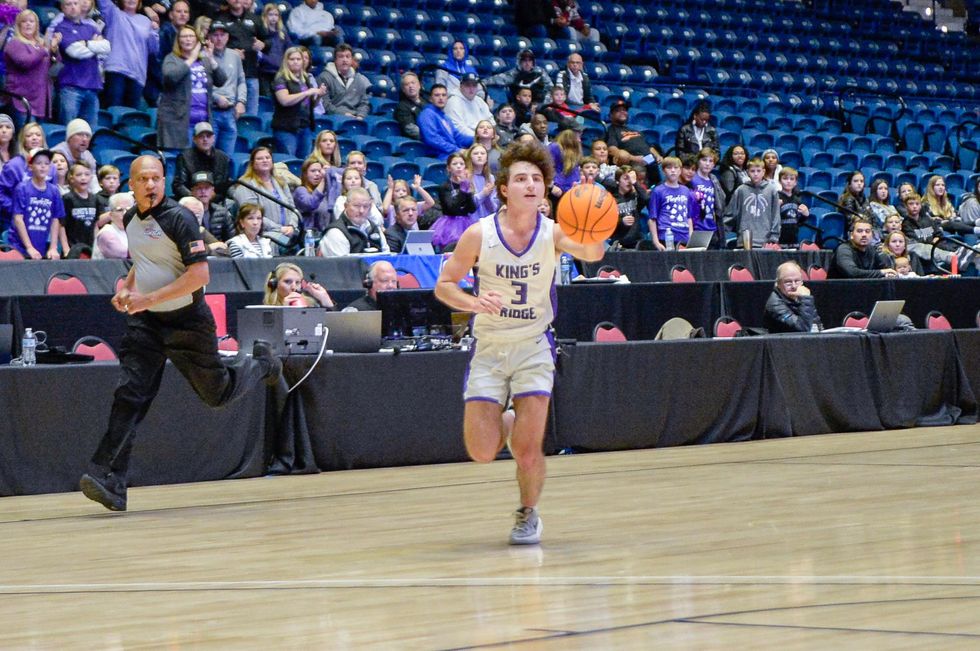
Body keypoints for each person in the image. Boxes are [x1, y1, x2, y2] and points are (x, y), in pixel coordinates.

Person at [79, 156, 282, 512]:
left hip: (187, 322)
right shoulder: (131, 218)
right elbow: (144, 262)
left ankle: (262, 364)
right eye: (143, 179)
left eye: (156, 178)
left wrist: (146, 299)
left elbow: (200, 276)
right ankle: (111, 480)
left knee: (216, 394)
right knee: (130, 395)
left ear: (163, 181)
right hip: (147, 324)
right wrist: (127, 288)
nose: (151, 184)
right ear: (131, 184)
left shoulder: (180, 218)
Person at [434, 141, 604, 546]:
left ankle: (528, 513)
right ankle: (507, 420)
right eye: (521, 179)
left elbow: (594, 253)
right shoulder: (479, 234)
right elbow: (444, 285)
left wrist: (596, 221)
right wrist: (473, 302)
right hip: (490, 347)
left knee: (528, 451)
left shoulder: (554, 232)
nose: (530, 185)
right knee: (481, 451)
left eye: (537, 179)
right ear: (504, 189)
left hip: (534, 345)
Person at [158, 25, 226, 150]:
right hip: (179, 123)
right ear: (178, 41)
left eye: (191, 36)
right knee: (180, 158)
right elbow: (171, 77)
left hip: (203, 123)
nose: (188, 39)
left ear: (197, 40)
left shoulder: (204, 61)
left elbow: (221, 80)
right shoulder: (171, 59)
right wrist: (191, 58)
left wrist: (211, 59)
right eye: (184, 36)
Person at [229, 146, 299, 249]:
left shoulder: (281, 182)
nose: (265, 160)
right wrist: (280, 229)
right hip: (263, 233)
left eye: (267, 157)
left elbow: (292, 208)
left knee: (304, 240)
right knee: (288, 244)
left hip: (288, 231)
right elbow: (252, 215)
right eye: (260, 158)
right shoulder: (245, 186)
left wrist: (292, 226)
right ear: (252, 163)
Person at [54, 0, 110, 127]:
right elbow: (75, 52)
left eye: (75, 3)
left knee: (90, 131)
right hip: (71, 87)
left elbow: (107, 47)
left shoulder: (90, 27)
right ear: (62, 8)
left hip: (92, 87)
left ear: (80, 6)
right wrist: (95, 46)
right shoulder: (61, 28)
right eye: (68, 4)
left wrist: (86, 43)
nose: (73, 7)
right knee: (69, 129)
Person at [98, 0, 160, 108]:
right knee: (113, 111)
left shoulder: (146, 21)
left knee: (131, 115)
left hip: (138, 74)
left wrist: (155, 32)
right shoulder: (113, 13)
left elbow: (153, 50)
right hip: (116, 70)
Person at [7, 148, 63, 259]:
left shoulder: (54, 191)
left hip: (40, 246)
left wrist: (53, 247)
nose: (43, 166)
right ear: (30, 166)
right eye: (38, 163)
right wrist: (29, 247)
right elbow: (18, 219)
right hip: (19, 247)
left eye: (46, 163)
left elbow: (55, 219)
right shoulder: (22, 188)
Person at [4, 10, 57, 125]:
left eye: (31, 21)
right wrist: (45, 49)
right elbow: (25, 62)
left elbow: (53, 65)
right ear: (19, 25)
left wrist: (54, 51)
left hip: (40, 100)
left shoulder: (41, 43)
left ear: (37, 25)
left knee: (39, 134)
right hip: (22, 101)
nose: (28, 24)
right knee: (25, 134)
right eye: (24, 21)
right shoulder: (14, 43)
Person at [272, 46, 324, 159]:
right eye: (292, 59)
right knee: (289, 161)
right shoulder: (281, 79)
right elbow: (284, 100)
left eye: (298, 59)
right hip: (286, 129)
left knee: (305, 162)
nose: (295, 62)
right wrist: (306, 93)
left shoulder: (305, 79)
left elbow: (310, 105)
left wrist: (319, 95)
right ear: (286, 61)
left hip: (305, 127)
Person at [216, 0, 265, 116]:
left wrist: (263, 44)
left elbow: (268, 40)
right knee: (229, 117)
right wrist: (231, 52)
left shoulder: (255, 19)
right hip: (228, 77)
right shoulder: (220, 20)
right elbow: (213, 44)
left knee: (251, 117)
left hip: (251, 73)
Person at [207, 20, 246, 156]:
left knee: (226, 157)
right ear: (209, 37)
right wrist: (216, 97)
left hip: (230, 112)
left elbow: (241, 80)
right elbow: (199, 84)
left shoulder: (234, 56)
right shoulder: (203, 56)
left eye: (222, 35)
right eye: (215, 35)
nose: (219, 39)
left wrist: (241, 101)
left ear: (228, 37)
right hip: (211, 111)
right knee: (208, 155)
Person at [722, 156, 780, 249]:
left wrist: (774, 238)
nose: (755, 174)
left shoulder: (771, 190)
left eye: (758, 171)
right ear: (748, 172)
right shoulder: (741, 190)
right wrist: (721, 230)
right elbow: (731, 214)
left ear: (763, 172)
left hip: (766, 242)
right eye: (752, 171)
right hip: (744, 241)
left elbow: (776, 216)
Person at [605, 97, 662, 187]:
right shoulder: (611, 130)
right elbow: (612, 149)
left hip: (648, 158)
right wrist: (635, 158)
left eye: (624, 110)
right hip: (633, 161)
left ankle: (656, 187)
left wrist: (658, 155)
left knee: (661, 162)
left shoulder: (635, 131)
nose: (622, 112)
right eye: (618, 110)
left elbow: (649, 146)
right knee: (645, 167)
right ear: (611, 115)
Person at [318, 187, 389, 256]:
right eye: (356, 206)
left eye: (365, 206)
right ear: (346, 206)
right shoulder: (336, 233)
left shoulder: (375, 229)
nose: (361, 211)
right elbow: (340, 263)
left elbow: (388, 257)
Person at [173, 122, 233, 201]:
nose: (205, 139)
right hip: (191, 201)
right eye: (201, 136)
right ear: (194, 139)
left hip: (216, 201)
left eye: (208, 136)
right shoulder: (184, 157)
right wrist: (195, 197)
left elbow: (225, 186)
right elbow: (178, 185)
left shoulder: (223, 158)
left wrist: (214, 197)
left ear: (213, 138)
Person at [648, 156, 697, 250]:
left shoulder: (686, 190)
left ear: (680, 170)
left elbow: (689, 217)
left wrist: (691, 237)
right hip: (666, 236)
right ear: (663, 171)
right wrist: (656, 241)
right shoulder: (658, 191)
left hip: (684, 237)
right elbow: (652, 219)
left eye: (676, 167)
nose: (673, 170)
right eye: (669, 168)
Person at [432, 152, 477, 252]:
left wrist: (468, 193)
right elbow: (452, 209)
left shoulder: (466, 184)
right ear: (449, 168)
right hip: (449, 224)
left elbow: (472, 209)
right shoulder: (445, 187)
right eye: (455, 164)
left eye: (461, 164)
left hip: (466, 222)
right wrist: (462, 191)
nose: (459, 167)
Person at [764, 261, 823, 333]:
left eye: (797, 281)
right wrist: (806, 299)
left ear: (802, 282)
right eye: (788, 282)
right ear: (778, 284)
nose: (794, 286)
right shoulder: (774, 304)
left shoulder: (801, 296)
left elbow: (817, 324)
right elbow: (803, 329)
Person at [418, 84, 473, 160]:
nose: (441, 98)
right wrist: (457, 150)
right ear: (430, 99)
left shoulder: (445, 117)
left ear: (447, 98)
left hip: (451, 154)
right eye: (437, 95)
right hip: (439, 156)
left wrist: (477, 138)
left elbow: (457, 136)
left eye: (443, 95)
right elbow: (433, 139)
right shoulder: (427, 114)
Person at [832, 216, 898, 278]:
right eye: (859, 231)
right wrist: (881, 272)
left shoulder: (871, 249)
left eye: (867, 231)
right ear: (851, 235)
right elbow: (852, 272)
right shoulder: (843, 249)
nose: (864, 235)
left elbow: (884, 268)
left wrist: (889, 273)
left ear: (872, 235)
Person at [318, 43, 370, 119]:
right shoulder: (324, 77)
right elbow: (325, 104)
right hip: (333, 117)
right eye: (341, 57)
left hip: (355, 118)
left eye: (347, 56)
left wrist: (360, 116)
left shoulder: (358, 79)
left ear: (351, 60)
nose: (345, 60)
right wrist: (343, 114)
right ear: (335, 60)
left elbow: (364, 103)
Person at [484, 48, 553, 105]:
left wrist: (542, 104)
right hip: (518, 106)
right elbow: (496, 79)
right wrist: (482, 82)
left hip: (539, 103)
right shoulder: (513, 74)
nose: (527, 63)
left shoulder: (540, 72)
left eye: (530, 60)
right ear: (519, 62)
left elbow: (550, 87)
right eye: (524, 61)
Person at [59, 162, 98, 255]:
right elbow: (61, 225)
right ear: (71, 178)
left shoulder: (95, 199)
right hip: (72, 248)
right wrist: (66, 248)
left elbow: (95, 225)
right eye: (79, 175)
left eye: (87, 174)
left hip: (90, 248)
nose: (83, 178)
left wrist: (96, 247)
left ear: (91, 177)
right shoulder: (67, 198)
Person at [690, 147, 725, 247]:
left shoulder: (714, 180)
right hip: (697, 227)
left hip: (712, 227)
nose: (707, 163)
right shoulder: (692, 179)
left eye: (711, 161)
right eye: (704, 160)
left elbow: (720, 203)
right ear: (698, 161)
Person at [263, 261, 335, 308]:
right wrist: (285, 311)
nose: (294, 287)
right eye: (287, 282)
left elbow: (332, 325)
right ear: (274, 284)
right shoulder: (265, 310)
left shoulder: (310, 305)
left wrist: (326, 300)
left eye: (297, 282)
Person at [445, 73, 494, 140]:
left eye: (474, 85)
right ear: (461, 86)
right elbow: (458, 129)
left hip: (483, 138)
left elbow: (491, 120)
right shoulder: (453, 102)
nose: (471, 89)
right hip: (465, 141)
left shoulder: (479, 100)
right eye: (467, 85)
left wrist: (491, 134)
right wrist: (479, 138)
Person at [607, 165, 646, 249]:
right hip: (617, 242)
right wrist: (621, 221)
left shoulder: (635, 196)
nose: (629, 182)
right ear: (617, 181)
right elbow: (606, 221)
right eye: (625, 178)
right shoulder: (610, 199)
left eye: (630, 179)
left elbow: (646, 198)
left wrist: (635, 183)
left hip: (636, 241)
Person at [188, 170, 234, 241]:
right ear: (192, 191)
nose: (203, 191)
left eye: (206, 188)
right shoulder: (186, 213)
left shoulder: (222, 212)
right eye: (199, 188)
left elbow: (231, 239)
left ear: (212, 190)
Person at [257, 3, 290, 96]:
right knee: (267, 100)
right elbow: (258, 55)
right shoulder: (260, 32)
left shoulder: (283, 34)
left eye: (276, 15)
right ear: (265, 16)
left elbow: (289, 50)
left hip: (279, 73)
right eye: (270, 14)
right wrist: (265, 59)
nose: (273, 18)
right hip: (265, 73)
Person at [91, 191, 132, 259]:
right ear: (111, 215)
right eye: (120, 210)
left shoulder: (132, 231)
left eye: (128, 210)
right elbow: (122, 253)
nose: (125, 214)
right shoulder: (106, 234)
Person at [777, 167, 809, 246]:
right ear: (779, 181)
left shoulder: (797, 199)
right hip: (779, 239)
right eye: (785, 178)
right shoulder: (776, 197)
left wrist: (805, 215)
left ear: (795, 182)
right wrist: (775, 208)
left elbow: (798, 221)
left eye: (792, 179)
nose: (788, 181)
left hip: (794, 239)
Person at [394, 72, 427, 140]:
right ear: (403, 89)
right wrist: (432, 136)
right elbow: (411, 129)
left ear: (419, 85)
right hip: (420, 142)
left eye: (413, 83)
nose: (411, 86)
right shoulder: (401, 107)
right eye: (407, 84)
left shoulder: (428, 101)